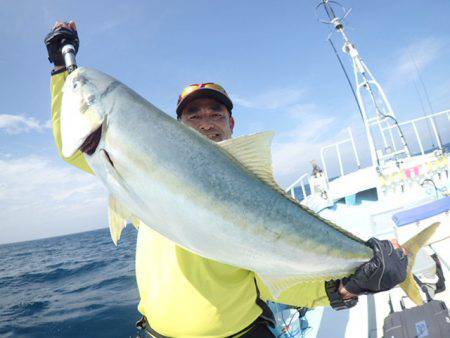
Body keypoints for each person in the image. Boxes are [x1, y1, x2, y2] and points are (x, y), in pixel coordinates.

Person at [45, 21, 409, 338]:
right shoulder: (142, 173)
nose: (206, 121)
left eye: (216, 112)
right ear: (177, 127)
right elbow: (73, 145)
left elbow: (278, 278)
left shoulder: (257, 191)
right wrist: (62, 73)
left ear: (231, 124)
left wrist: (348, 286)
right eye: (193, 114)